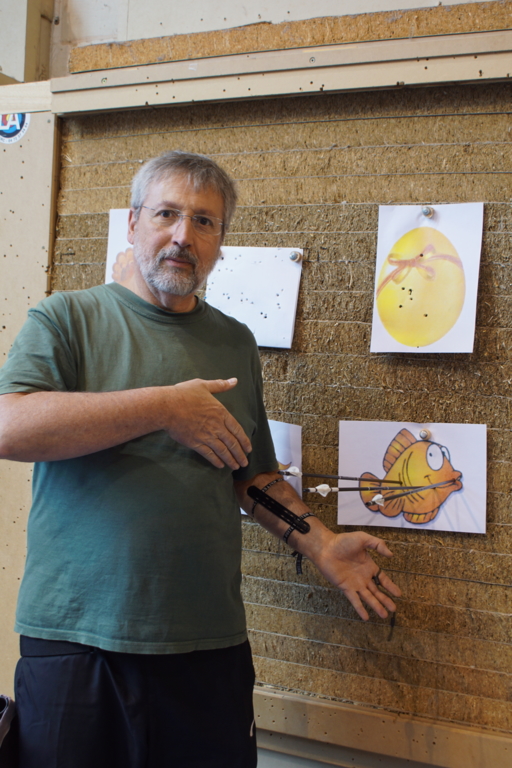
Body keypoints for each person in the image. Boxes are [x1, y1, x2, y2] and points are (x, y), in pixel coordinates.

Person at [0, 151, 401, 768]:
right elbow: (9, 427)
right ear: (133, 222)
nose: (183, 235)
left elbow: (253, 476)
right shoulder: (67, 318)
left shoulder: (234, 342)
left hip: (207, 647)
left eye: (205, 222)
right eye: (167, 214)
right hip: (77, 642)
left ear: (220, 242)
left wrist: (320, 543)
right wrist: (164, 407)